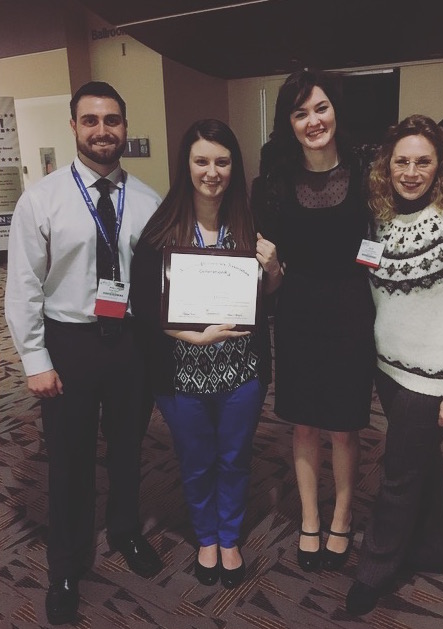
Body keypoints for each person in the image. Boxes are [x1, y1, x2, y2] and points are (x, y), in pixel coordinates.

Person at [5, 81, 163, 625]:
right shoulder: (41, 199)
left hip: (131, 346)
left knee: (127, 450)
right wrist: (34, 359)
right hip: (68, 343)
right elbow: (23, 285)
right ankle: (66, 566)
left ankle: (124, 531)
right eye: (91, 120)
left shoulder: (147, 201)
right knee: (69, 461)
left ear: (125, 126)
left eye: (112, 120)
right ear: (74, 126)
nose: (103, 131)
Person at [345, 114, 443, 615]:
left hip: (429, 382)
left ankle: (375, 571)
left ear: (440, 166)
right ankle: (430, 549)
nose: (411, 171)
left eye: (422, 162)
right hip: (387, 372)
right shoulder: (384, 222)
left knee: (398, 476)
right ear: (387, 166)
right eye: (401, 161)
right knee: (421, 465)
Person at [130, 119, 280, 589]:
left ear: (234, 166)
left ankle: (230, 537)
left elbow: (268, 297)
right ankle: (207, 538)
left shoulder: (252, 223)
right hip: (181, 372)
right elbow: (142, 304)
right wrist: (186, 336)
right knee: (196, 459)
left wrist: (274, 269)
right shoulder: (162, 229)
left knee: (234, 458)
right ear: (186, 165)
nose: (211, 171)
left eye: (221, 161)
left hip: (242, 371)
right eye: (201, 161)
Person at [251, 69, 376, 573]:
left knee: (345, 426)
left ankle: (341, 517)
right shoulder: (274, 182)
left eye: (320, 108)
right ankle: (309, 517)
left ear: (336, 111)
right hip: (298, 310)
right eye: (300, 113)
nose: (313, 120)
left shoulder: (368, 172)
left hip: (352, 308)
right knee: (303, 423)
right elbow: (273, 271)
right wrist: (273, 272)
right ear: (289, 123)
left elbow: (381, 244)